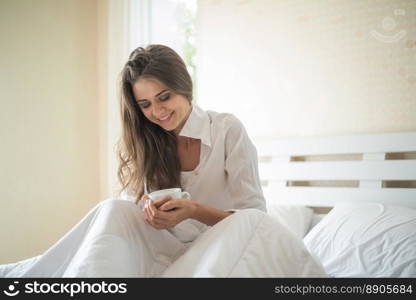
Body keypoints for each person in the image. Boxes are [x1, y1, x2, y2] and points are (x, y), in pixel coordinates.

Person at [0, 45, 326, 278]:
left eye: (164, 97)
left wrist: (195, 210)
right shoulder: (149, 138)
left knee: (249, 222)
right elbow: (134, 206)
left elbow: (254, 218)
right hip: (168, 247)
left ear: (183, 87)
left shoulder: (227, 129)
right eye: (144, 104)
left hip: (221, 243)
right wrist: (146, 208)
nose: (157, 112)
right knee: (114, 209)